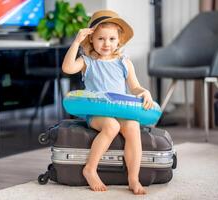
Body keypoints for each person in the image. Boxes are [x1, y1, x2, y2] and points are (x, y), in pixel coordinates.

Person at [62, 10, 153, 195]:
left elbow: (134, 87)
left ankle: (133, 178)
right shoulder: (87, 61)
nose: (106, 43)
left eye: (112, 39)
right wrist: (76, 41)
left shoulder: (124, 62)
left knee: (133, 126)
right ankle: (90, 169)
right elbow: (67, 67)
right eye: (101, 39)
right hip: (97, 112)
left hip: (120, 110)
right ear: (91, 40)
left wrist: (145, 92)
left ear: (119, 40)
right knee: (111, 126)